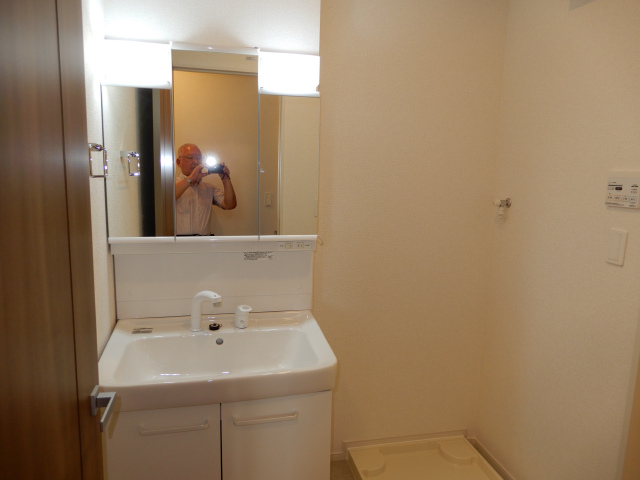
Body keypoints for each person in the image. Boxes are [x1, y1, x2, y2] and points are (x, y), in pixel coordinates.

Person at [175, 143, 237, 235]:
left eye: (199, 158)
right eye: (190, 157)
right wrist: (191, 178)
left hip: (205, 240)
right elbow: (168, 198)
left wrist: (225, 178)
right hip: (178, 241)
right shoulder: (169, 184)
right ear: (178, 162)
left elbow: (229, 205)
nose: (196, 161)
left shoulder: (208, 188)